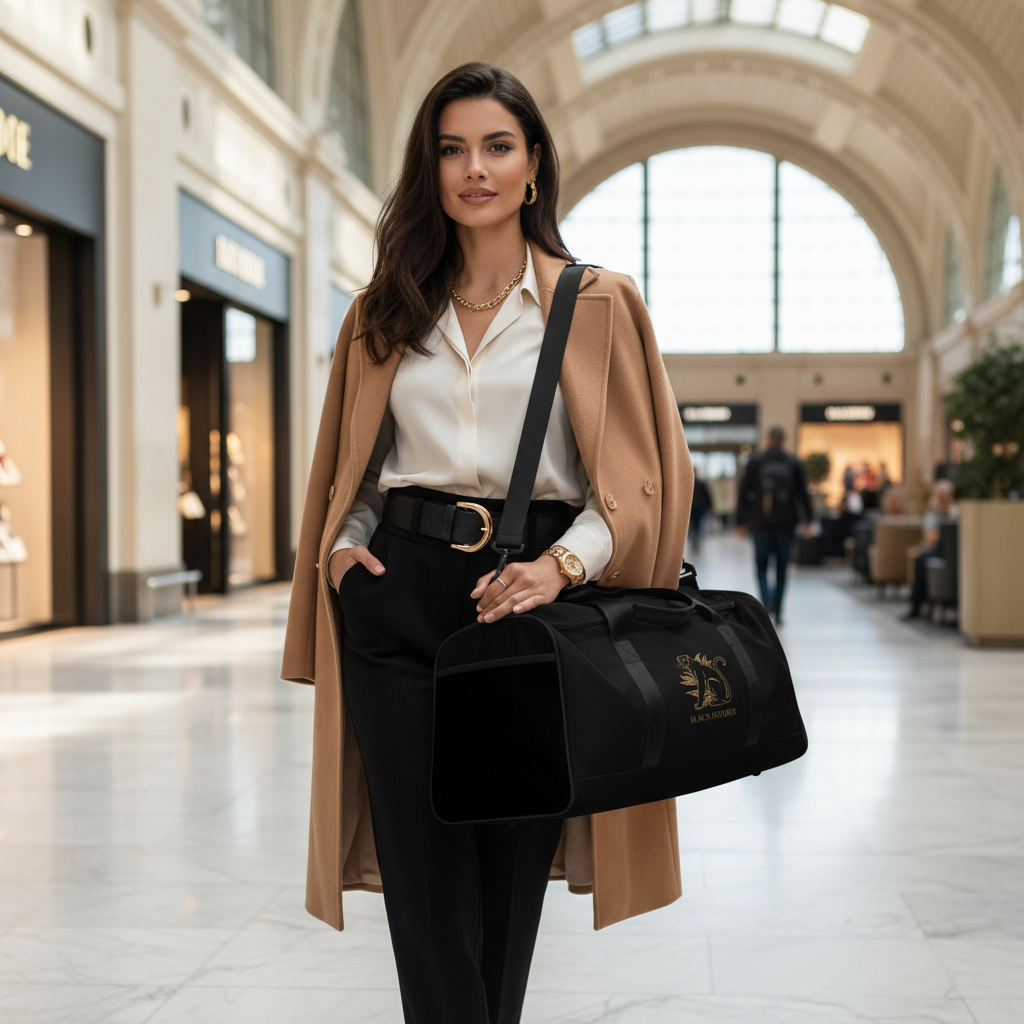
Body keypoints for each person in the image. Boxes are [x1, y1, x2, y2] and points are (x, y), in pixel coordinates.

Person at [281, 63, 693, 1024]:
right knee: (423, 889)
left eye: (497, 146)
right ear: (430, 169)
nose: (475, 169)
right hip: (399, 595)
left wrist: (559, 567)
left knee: (508, 877)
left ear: (534, 166)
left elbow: (633, 486)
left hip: (532, 607)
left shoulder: (595, 306)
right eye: (452, 148)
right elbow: (356, 465)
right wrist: (345, 554)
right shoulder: (384, 309)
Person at [735, 426, 812, 625]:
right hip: (787, 525)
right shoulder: (793, 462)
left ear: (768, 439)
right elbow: (803, 494)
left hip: (760, 524)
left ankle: (766, 600)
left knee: (761, 565)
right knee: (782, 568)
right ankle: (778, 610)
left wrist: (740, 521)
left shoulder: (756, 462)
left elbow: (743, 492)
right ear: (784, 440)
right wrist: (809, 520)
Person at [903, 478, 958, 620]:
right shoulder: (932, 515)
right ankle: (917, 604)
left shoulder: (955, 513)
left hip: (954, 552)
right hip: (937, 550)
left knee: (923, 559)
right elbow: (930, 538)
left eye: (946, 496)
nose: (943, 500)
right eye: (940, 497)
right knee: (922, 559)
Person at [688, 468, 713, 554]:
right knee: (695, 525)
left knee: (694, 525)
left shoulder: (697, 484)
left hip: (695, 508)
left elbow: (707, 495)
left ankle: (695, 542)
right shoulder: (690, 484)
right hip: (695, 508)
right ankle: (695, 542)